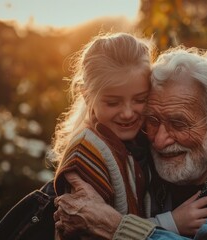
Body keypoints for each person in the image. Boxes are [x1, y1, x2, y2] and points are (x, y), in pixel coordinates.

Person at [54, 47, 207, 239]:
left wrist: (117, 227)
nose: (159, 140)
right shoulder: (132, 149)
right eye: (152, 121)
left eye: (179, 124)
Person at [50, 32, 155, 238]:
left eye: (140, 99)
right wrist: (173, 222)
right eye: (113, 103)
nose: (127, 112)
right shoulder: (87, 155)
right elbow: (102, 229)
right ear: (87, 96)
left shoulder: (135, 141)